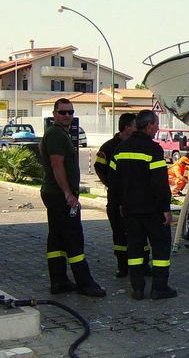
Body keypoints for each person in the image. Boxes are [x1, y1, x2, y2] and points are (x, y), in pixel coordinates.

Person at [39, 98, 106, 297]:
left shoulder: (60, 134)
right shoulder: (57, 135)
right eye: (63, 112)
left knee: (57, 239)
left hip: (54, 194)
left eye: (70, 112)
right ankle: (85, 283)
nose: (67, 116)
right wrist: (68, 193)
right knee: (73, 237)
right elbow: (57, 165)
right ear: (54, 114)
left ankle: (59, 281)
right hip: (59, 195)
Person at [109, 110, 177, 300]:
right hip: (152, 210)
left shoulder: (120, 150)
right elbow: (160, 183)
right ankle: (159, 288)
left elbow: (113, 182)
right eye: (156, 125)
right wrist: (165, 208)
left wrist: (119, 204)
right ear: (149, 126)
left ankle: (137, 288)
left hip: (130, 211)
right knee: (161, 249)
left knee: (135, 249)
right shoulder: (154, 150)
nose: (157, 129)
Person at [94, 113, 152, 278]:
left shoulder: (139, 144)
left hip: (137, 200)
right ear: (127, 127)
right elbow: (100, 168)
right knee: (119, 234)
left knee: (141, 233)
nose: (138, 128)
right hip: (116, 199)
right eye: (135, 125)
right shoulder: (108, 147)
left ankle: (144, 264)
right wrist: (113, 186)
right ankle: (122, 265)